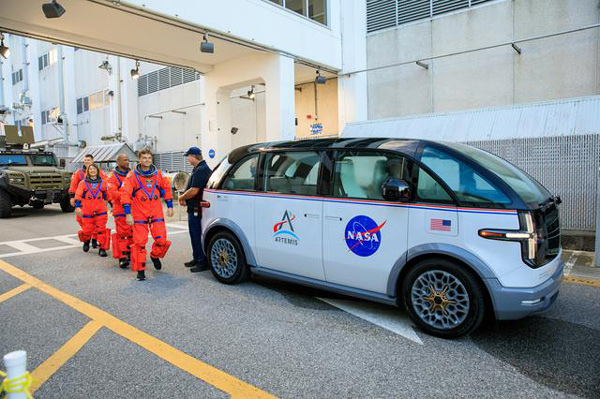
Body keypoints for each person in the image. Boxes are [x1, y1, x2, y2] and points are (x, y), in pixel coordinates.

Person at [121, 149, 174, 281]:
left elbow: (166, 188)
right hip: (139, 214)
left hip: (156, 212)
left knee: (162, 241)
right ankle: (141, 270)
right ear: (139, 160)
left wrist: (170, 206)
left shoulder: (158, 175)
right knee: (140, 243)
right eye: (144, 158)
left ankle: (155, 255)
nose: (147, 160)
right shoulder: (132, 176)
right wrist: (128, 214)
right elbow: (125, 194)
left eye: (149, 158)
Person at [178, 147, 212, 273]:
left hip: (197, 208)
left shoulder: (202, 169)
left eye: (188, 156)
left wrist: (182, 197)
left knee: (196, 234)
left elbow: (194, 190)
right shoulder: (198, 168)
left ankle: (202, 261)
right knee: (194, 234)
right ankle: (197, 258)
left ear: (193, 156)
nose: (187, 158)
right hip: (194, 207)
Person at [70, 154, 107, 249]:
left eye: (88, 160)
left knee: (99, 223)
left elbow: (106, 184)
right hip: (84, 201)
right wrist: (72, 197)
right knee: (84, 222)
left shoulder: (100, 174)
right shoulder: (79, 173)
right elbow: (74, 185)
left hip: (97, 201)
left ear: (93, 161)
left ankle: (95, 238)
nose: (86, 161)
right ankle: (87, 238)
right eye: (85, 160)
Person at [74, 163, 110, 257]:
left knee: (101, 230)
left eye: (94, 169)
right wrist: (77, 207)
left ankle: (102, 248)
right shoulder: (83, 183)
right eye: (91, 169)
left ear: (97, 171)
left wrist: (111, 204)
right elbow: (78, 195)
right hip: (87, 210)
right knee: (87, 230)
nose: (93, 171)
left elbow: (107, 195)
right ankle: (86, 241)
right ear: (88, 171)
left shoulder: (102, 183)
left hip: (100, 210)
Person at [107, 153, 132, 269]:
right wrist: (126, 194)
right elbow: (112, 193)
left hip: (134, 209)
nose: (127, 162)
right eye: (125, 160)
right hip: (120, 210)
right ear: (118, 162)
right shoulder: (113, 176)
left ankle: (130, 252)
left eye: (128, 160)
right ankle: (122, 257)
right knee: (122, 234)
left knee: (133, 233)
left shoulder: (132, 174)